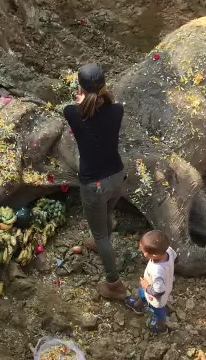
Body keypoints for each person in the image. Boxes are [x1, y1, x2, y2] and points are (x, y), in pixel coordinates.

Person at [63, 63, 127, 300]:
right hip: (118, 178)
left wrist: (81, 100)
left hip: (94, 185)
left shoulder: (72, 113)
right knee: (107, 215)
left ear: (80, 88)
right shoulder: (117, 110)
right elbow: (106, 106)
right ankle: (101, 239)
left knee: (100, 235)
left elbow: (78, 110)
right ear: (104, 87)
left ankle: (114, 284)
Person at [125, 230, 177, 333]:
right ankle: (138, 305)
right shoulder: (169, 251)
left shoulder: (158, 271)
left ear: (154, 255)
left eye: (143, 251)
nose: (142, 251)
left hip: (156, 297)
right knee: (142, 293)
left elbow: (158, 291)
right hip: (150, 283)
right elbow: (176, 258)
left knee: (158, 310)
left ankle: (159, 325)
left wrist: (146, 286)